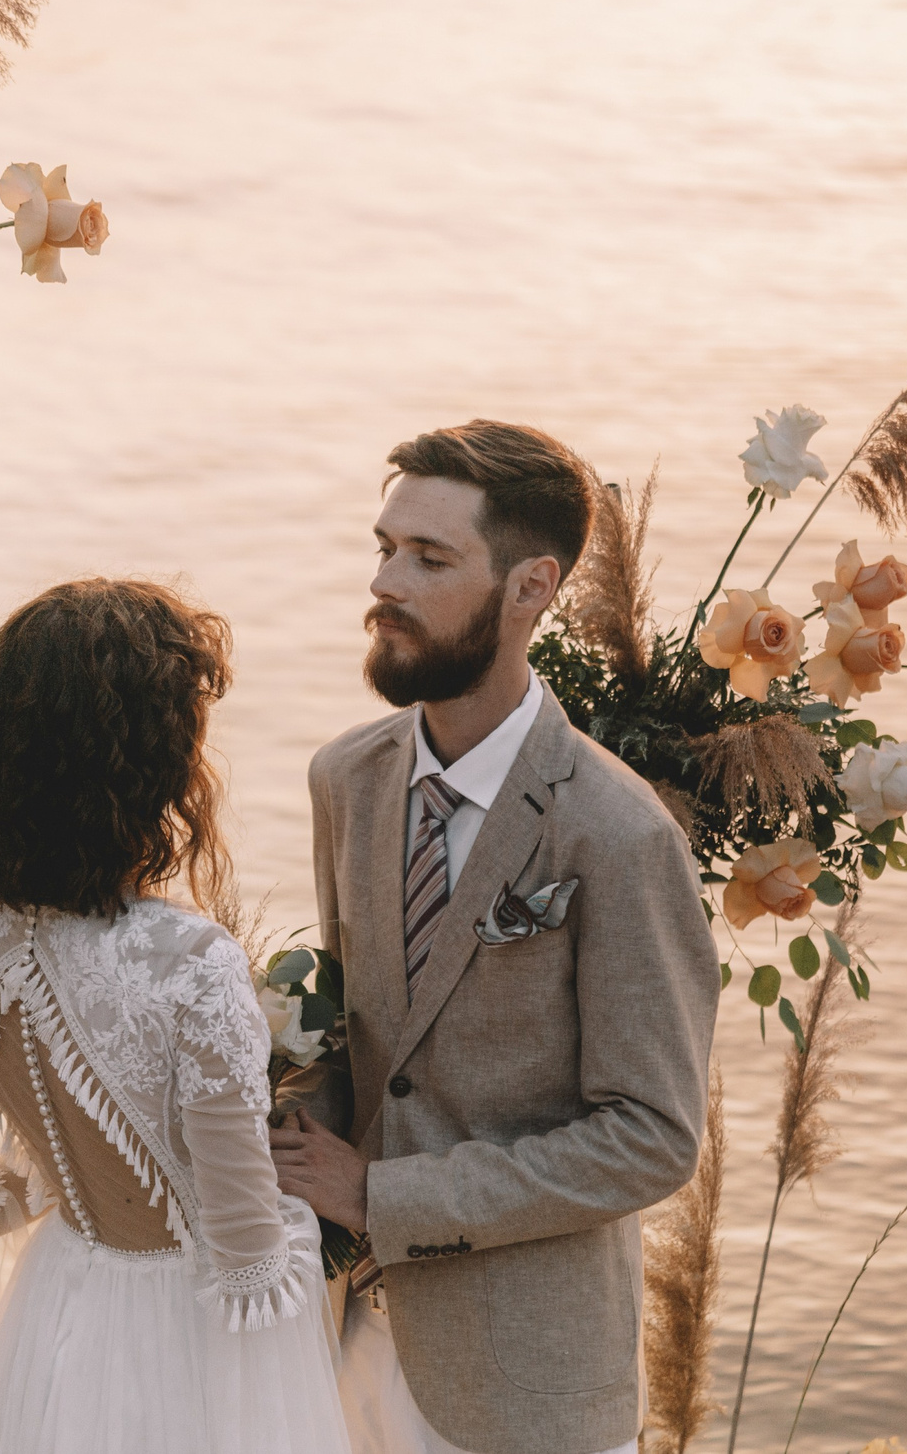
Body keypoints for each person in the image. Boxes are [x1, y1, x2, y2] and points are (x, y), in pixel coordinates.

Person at [271, 421, 721, 1454]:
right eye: (384, 547)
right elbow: (361, 1045)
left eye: (429, 560)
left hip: (527, 1391)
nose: (386, 582)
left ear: (531, 587)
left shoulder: (616, 834)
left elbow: (651, 1138)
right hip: (339, 1359)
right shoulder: (345, 779)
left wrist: (384, 1196)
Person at [0, 578, 348, 1454]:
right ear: (159, 764)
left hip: (51, 1322)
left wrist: (72, 1181)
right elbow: (247, 1259)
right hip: (175, 1357)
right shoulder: (191, 961)